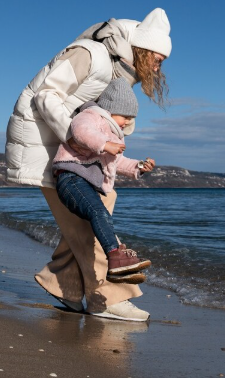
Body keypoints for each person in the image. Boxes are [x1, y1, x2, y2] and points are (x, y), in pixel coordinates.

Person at [5, 8, 171, 322]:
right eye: (157, 58)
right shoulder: (90, 54)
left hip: (75, 150)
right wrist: (82, 138)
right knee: (86, 220)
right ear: (142, 49)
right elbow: (46, 96)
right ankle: (107, 298)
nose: (159, 66)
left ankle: (63, 287)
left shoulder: (119, 71)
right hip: (45, 142)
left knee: (102, 204)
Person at [52, 78, 156, 283]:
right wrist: (105, 144)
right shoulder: (91, 116)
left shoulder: (115, 134)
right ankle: (115, 257)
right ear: (110, 109)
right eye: (125, 116)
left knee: (99, 217)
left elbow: (117, 162)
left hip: (84, 183)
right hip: (71, 177)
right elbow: (81, 132)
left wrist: (139, 167)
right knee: (98, 212)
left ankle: (116, 264)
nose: (127, 122)